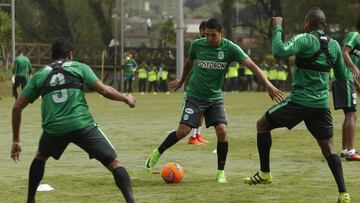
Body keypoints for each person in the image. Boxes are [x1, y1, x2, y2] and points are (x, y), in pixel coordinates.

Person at [145, 18, 283, 183]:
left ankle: (220, 172)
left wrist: (268, 85)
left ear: (221, 33)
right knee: (183, 131)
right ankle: (157, 153)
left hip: (215, 98)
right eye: (207, 35)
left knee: (222, 132)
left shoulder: (231, 48)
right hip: (194, 96)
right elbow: (189, 61)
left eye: (213, 35)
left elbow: (252, 65)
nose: (209, 38)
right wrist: (182, 81)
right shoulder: (197, 45)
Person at [243, 8, 351, 203]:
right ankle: (343, 193)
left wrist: (277, 27)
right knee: (328, 148)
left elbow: (278, 51)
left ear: (307, 24)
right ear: (324, 25)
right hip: (320, 105)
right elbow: (342, 77)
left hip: (299, 102)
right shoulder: (334, 45)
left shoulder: (304, 39)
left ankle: (265, 174)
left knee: (262, 125)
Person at [11, 38, 135, 203]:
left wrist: (16, 139)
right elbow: (104, 91)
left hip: (54, 129)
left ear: (51, 56)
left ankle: (30, 200)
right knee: (114, 163)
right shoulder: (79, 67)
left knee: (40, 157)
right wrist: (126, 99)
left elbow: (17, 107)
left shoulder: (40, 74)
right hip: (82, 124)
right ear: (70, 55)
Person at [333, 19, 360, 161]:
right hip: (343, 77)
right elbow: (344, 52)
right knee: (352, 115)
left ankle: (345, 149)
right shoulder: (355, 35)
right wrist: (354, 68)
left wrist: (357, 85)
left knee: (349, 114)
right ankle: (351, 151)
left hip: (346, 79)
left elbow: (358, 71)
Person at [188, 20, 210, 145]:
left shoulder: (210, 45)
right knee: (197, 112)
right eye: (205, 31)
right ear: (201, 31)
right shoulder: (197, 45)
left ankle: (197, 135)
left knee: (202, 113)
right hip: (197, 85)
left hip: (206, 85)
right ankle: (192, 137)